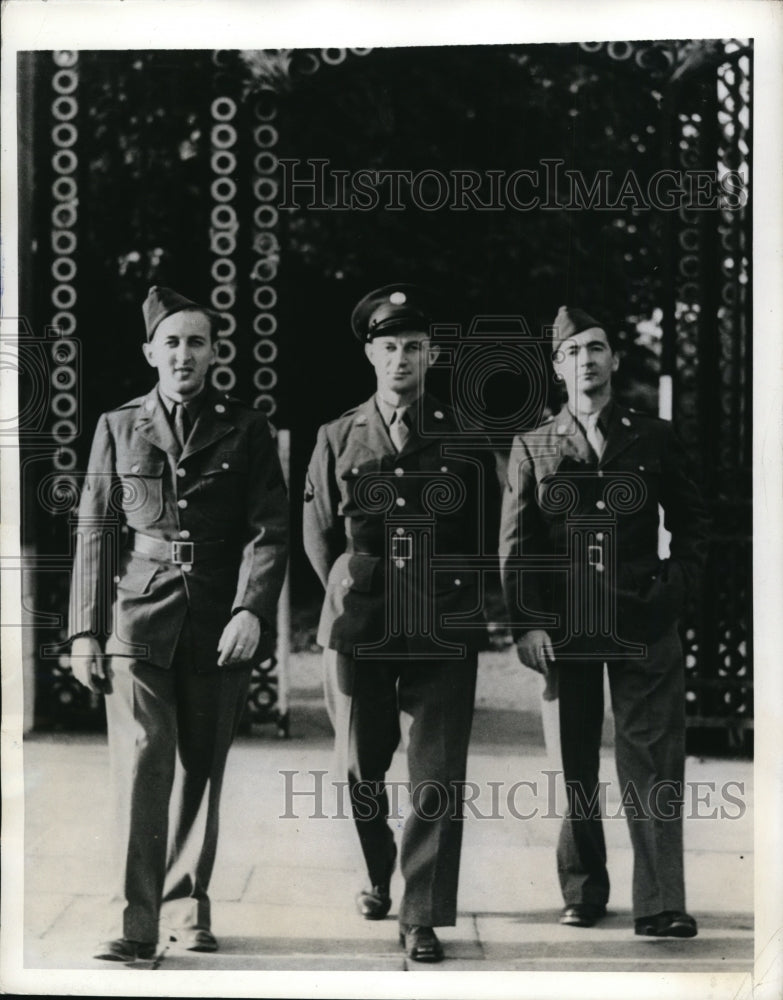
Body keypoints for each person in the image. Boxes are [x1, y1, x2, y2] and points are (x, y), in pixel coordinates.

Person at [68, 285, 289, 962]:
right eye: (172, 342)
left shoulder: (245, 428)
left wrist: (252, 609)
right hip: (139, 613)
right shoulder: (118, 425)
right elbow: (96, 528)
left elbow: (270, 529)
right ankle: (135, 923)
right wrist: (84, 628)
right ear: (150, 353)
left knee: (202, 765)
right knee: (143, 758)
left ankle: (189, 906)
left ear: (213, 353)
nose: (184, 354)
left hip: (219, 616)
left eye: (196, 342)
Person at [303, 284, 499, 963]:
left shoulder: (463, 439)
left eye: (413, 348)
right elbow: (318, 533)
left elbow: (485, 531)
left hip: (442, 625)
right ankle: (376, 864)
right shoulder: (337, 436)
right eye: (388, 347)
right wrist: (345, 592)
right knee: (359, 769)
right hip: (361, 628)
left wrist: (470, 603)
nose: (400, 359)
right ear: (370, 354)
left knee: (435, 776)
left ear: (431, 354)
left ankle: (420, 914)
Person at [499, 305, 710, 938]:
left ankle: (661, 902)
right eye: (573, 353)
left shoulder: (655, 437)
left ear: (614, 360)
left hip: (642, 621)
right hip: (566, 629)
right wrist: (527, 624)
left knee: (652, 761)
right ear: (556, 368)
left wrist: (670, 595)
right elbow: (517, 545)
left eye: (596, 348)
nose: (586, 361)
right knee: (574, 763)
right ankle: (584, 889)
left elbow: (697, 527)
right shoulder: (533, 445)